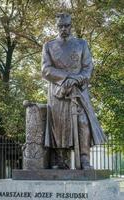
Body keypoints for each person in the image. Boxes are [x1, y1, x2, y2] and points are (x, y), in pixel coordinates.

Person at [42, 13, 107, 169]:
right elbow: (45, 69)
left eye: (66, 25)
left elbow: (88, 67)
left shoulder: (81, 44)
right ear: (56, 26)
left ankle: (84, 159)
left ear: (71, 26)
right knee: (59, 125)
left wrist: (77, 79)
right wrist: (66, 77)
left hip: (79, 90)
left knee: (83, 122)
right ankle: (61, 160)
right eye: (60, 26)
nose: (63, 28)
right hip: (58, 92)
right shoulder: (49, 46)